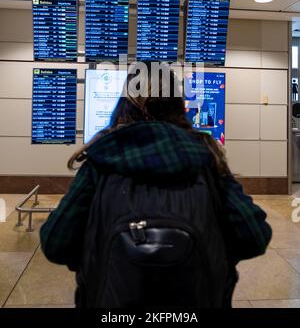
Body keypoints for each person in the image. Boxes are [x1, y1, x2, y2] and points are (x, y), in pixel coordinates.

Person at [40, 63, 272, 308]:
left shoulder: (102, 158)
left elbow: (56, 243)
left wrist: (99, 256)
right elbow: (255, 236)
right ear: (177, 104)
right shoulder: (206, 157)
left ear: (125, 103)